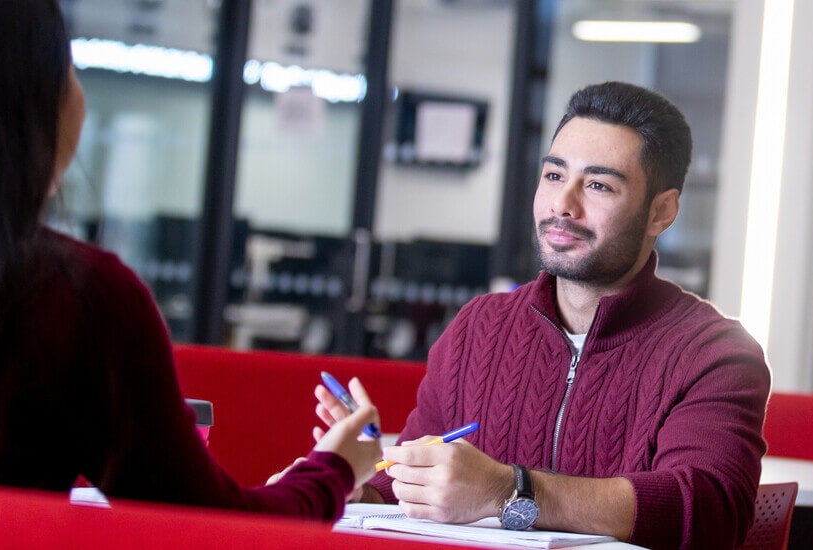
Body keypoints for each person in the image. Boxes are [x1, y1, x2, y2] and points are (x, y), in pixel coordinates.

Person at [0, 0, 381, 520]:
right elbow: (208, 528)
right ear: (31, 107)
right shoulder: (82, 300)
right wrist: (335, 467)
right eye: (69, 70)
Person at [319, 82, 771, 548]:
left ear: (662, 212)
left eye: (598, 185)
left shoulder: (715, 353)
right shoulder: (479, 326)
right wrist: (357, 488)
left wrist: (509, 490)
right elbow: (422, 485)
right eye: (554, 176)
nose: (563, 205)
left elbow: (708, 508)